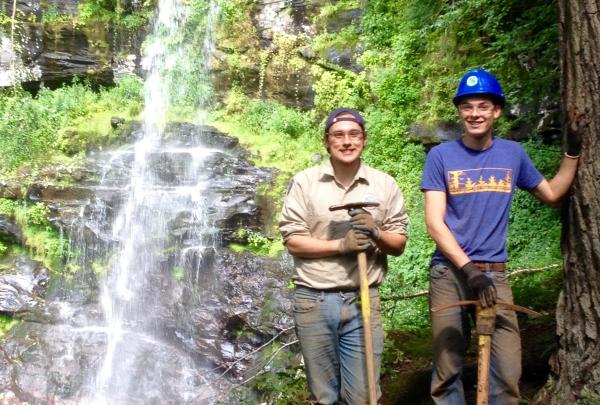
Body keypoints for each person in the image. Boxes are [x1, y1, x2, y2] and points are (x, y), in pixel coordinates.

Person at [421, 68, 584, 404]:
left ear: (496, 111)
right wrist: (469, 270)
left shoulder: (513, 154)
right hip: (450, 272)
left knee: (507, 371)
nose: (474, 114)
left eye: (483, 106)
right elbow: (435, 224)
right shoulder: (440, 156)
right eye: (467, 107)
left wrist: (573, 151)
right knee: (447, 368)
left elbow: (552, 194)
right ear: (460, 112)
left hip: (494, 273)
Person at [279, 108, 409, 404]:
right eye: (338, 135)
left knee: (364, 396)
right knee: (324, 396)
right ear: (327, 141)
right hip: (313, 300)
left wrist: (375, 231)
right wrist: (341, 246)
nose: (346, 141)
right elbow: (294, 242)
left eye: (354, 134)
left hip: (363, 298)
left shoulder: (384, 184)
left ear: (364, 139)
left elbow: (398, 243)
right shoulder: (305, 183)